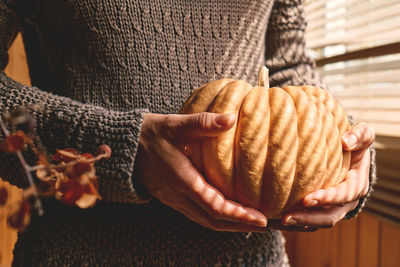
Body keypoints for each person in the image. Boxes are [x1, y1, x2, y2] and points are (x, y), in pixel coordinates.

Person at [0, 0, 375, 266]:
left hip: (250, 258)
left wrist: (342, 147)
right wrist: (124, 150)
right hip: (74, 254)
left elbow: (287, 63)